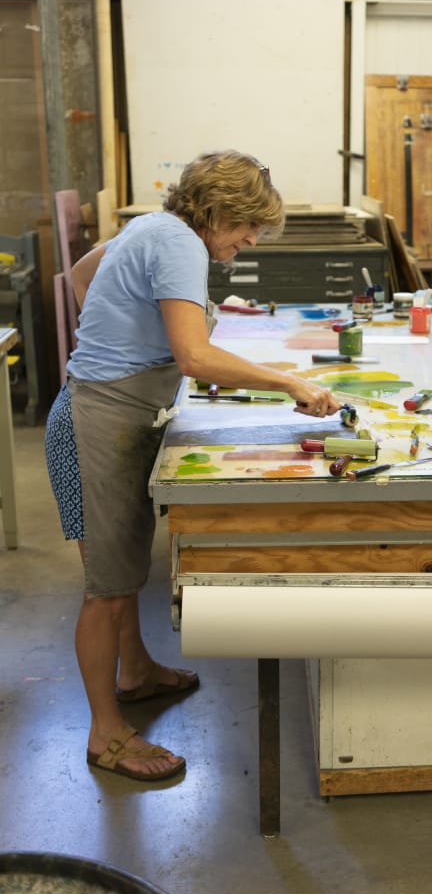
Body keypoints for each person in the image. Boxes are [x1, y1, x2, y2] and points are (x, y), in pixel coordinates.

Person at [45, 150, 342, 783]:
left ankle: (138, 673)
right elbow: (194, 357)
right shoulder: (179, 243)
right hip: (100, 420)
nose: (252, 239)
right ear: (214, 211)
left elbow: (78, 276)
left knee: (123, 567)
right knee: (108, 586)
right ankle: (105, 736)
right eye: (246, 225)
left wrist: (124, 335)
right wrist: (287, 383)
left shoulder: (151, 227)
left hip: (95, 410)